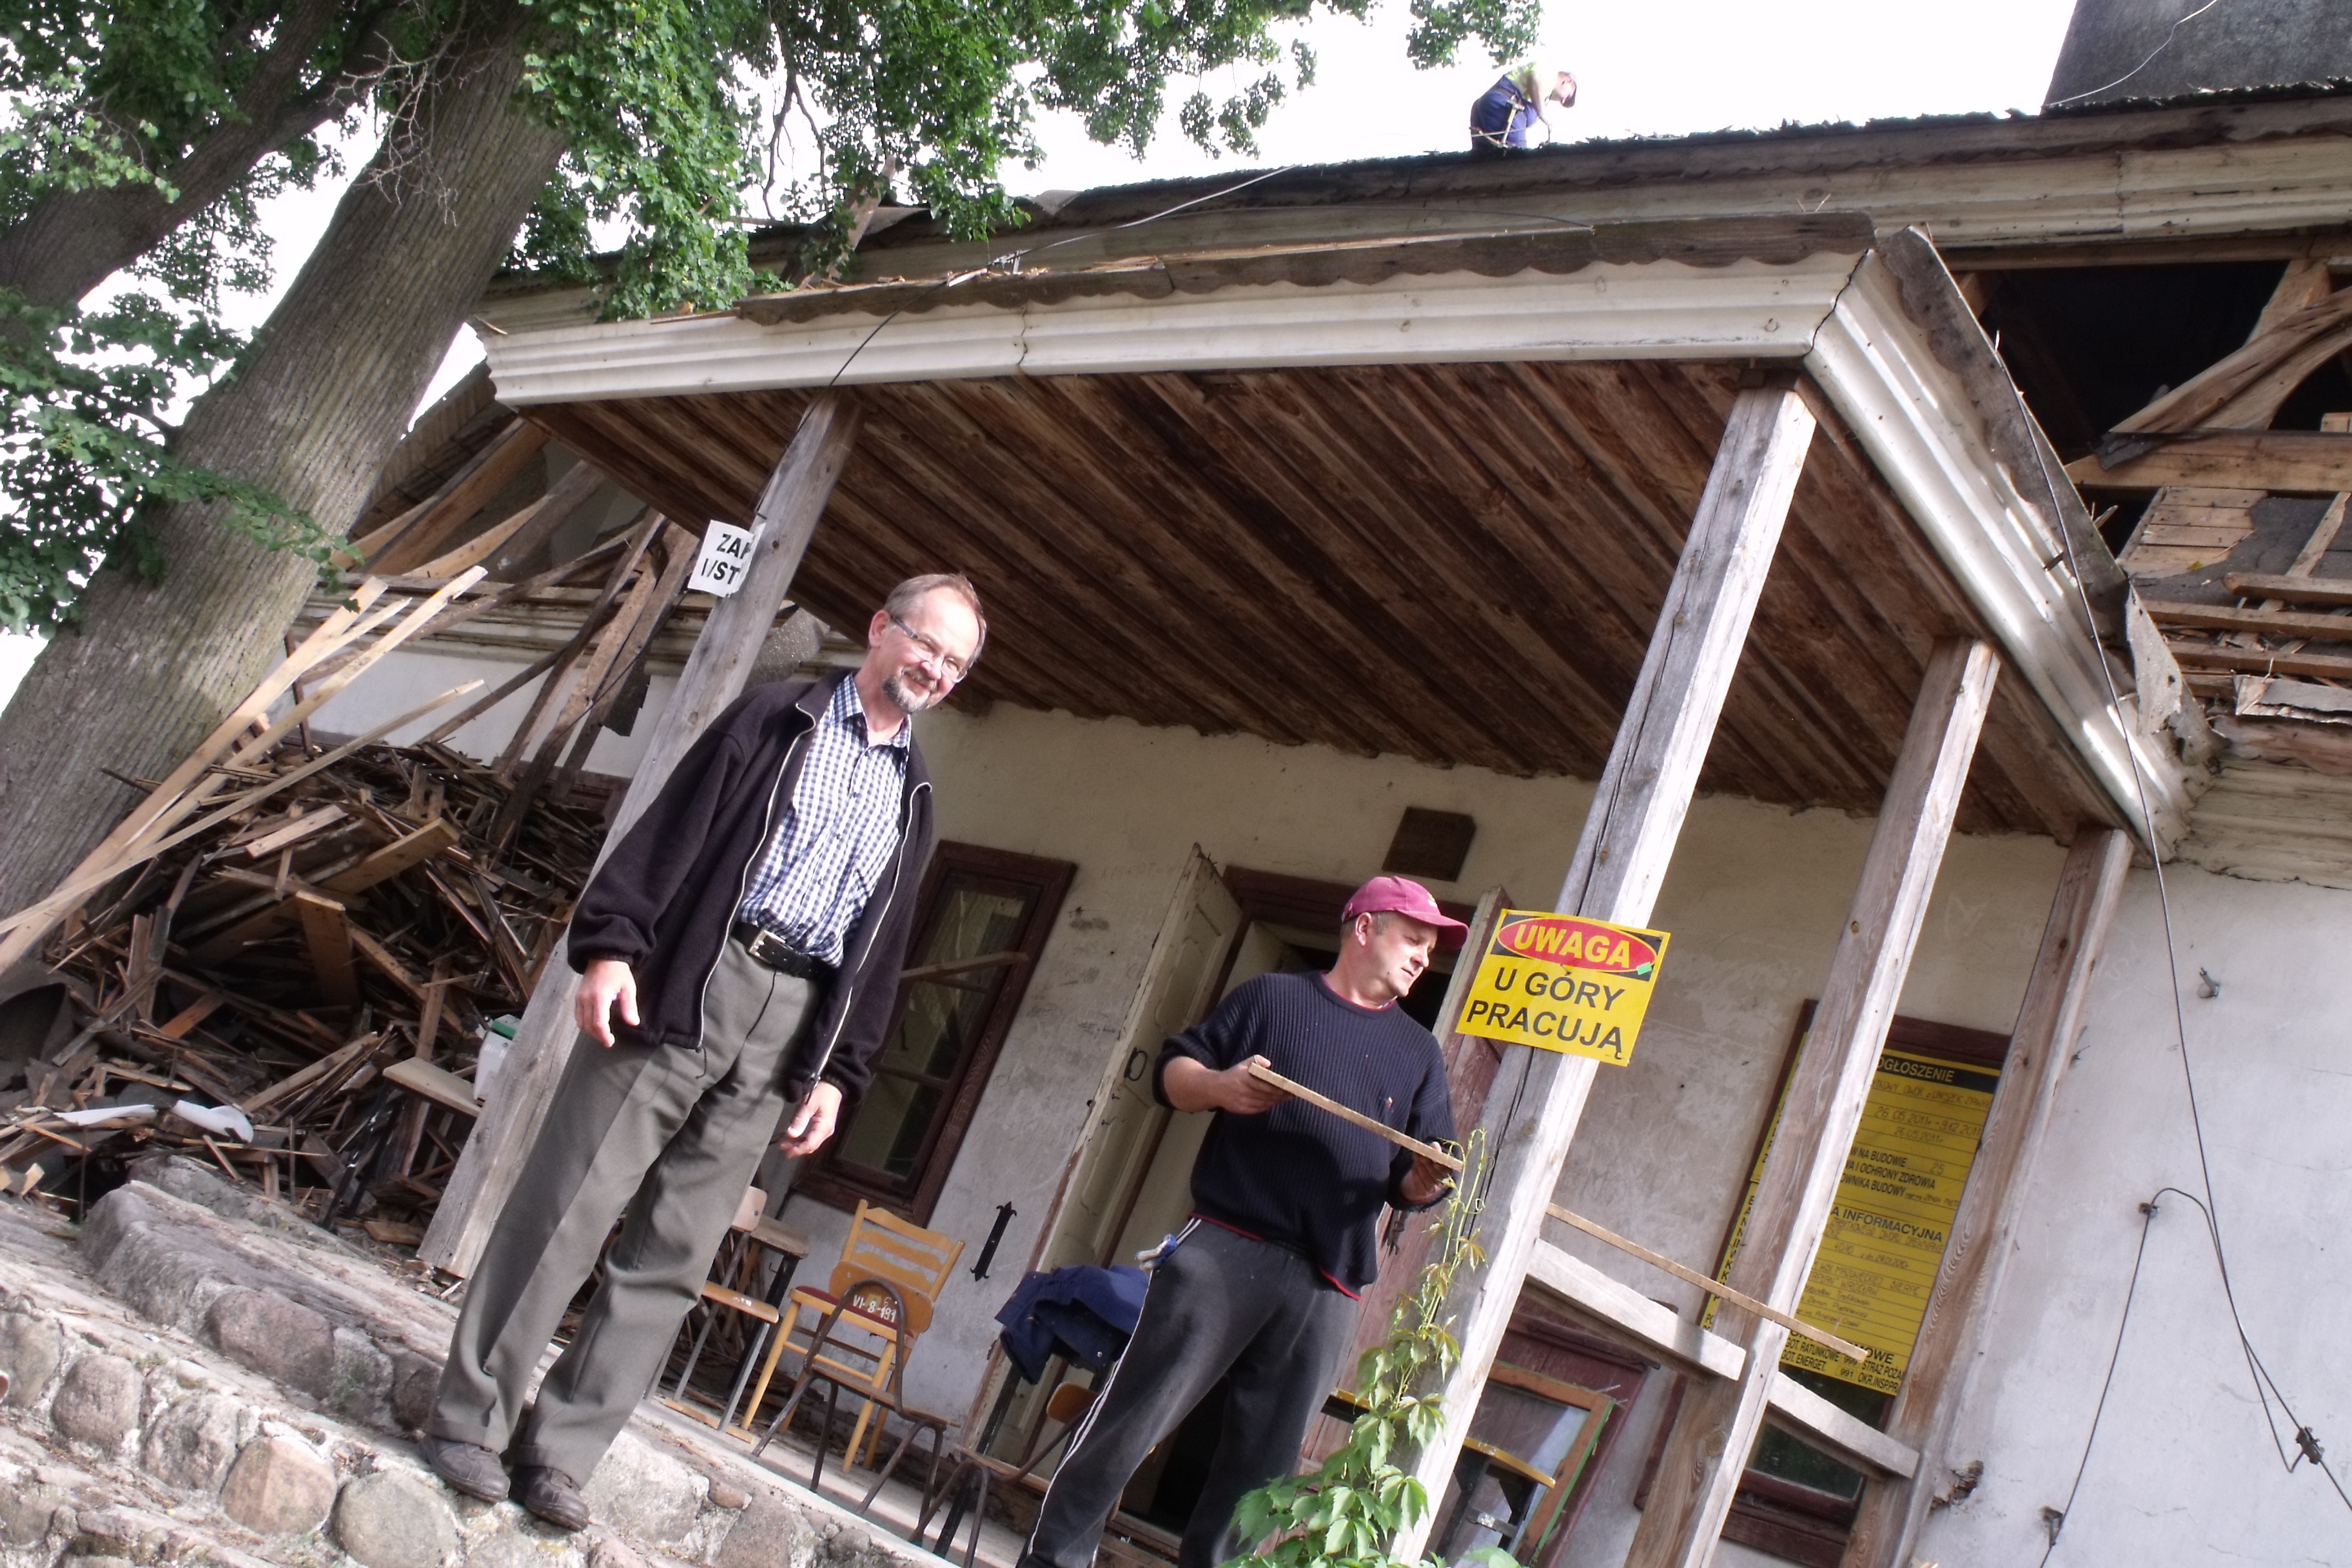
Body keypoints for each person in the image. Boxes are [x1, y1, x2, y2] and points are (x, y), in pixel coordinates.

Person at [417, 573, 986, 1529]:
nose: (936, 669)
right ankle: (470, 1420)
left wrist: (839, 1074)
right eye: (927, 643)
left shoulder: (915, 794)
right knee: (568, 1206)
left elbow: (882, 949)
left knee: (673, 1256)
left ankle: (559, 1453)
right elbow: (669, 831)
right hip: (695, 975)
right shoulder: (777, 719)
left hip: (791, 1023)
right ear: (880, 629)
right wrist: (611, 946)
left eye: (956, 663)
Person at [1019, 876, 1464, 1568]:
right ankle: (1052, 1560)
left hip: (1329, 1281)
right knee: (1134, 1417)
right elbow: (1173, 1073)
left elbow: (1410, 1182)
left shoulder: (1419, 1052)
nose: (1422, 958)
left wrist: (1426, 1179)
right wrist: (1222, 1087)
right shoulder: (1273, 999)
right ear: (1365, 928)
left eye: (1430, 949)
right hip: (1228, 1245)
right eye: (1413, 939)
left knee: (1263, 1478)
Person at [1469, 63, 1576, 152]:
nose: (1563, 101)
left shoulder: (1545, 91)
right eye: (1568, 96)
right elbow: (1534, 77)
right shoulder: (1551, 75)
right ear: (1568, 80)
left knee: (1483, 160)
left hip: (1487, 105)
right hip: (1503, 107)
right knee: (1519, 159)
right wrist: (1542, 114)